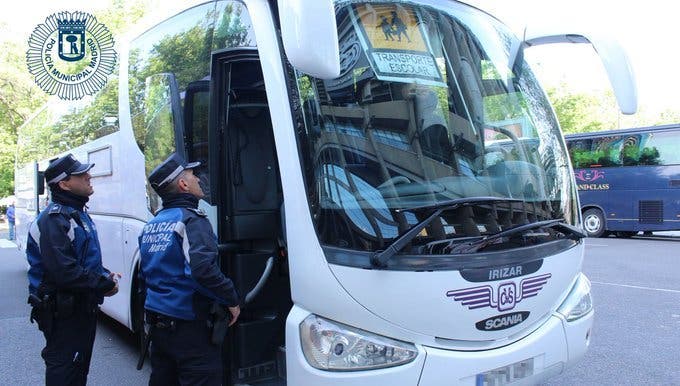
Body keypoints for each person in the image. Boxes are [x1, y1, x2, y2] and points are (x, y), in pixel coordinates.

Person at [139, 153, 240, 386]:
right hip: (189, 328)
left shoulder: (152, 224)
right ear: (183, 185)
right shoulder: (191, 220)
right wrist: (231, 299)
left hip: (159, 325)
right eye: (193, 176)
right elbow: (202, 270)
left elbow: (146, 274)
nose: (199, 180)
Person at [26, 153, 120, 386]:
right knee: (65, 372)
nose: (89, 176)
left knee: (77, 371)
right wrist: (104, 284)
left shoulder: (77, 215)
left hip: (79, 307)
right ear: (64, 183)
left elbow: (81, 260)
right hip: (63, 312)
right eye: (80, 174)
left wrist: (104, 274)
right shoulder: (54, 219)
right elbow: (64, 271)